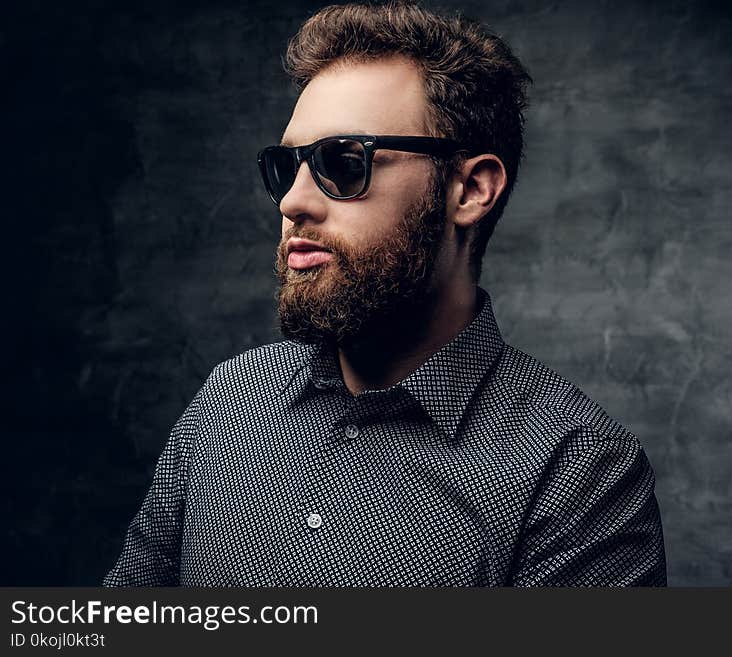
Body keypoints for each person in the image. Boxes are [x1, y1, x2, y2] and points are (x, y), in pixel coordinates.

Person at [104, 0, 666, 587]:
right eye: (285, 167)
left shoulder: (578, 471)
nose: (294, 202)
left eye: (344, 162)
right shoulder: (227, 405)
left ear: (471, 189)